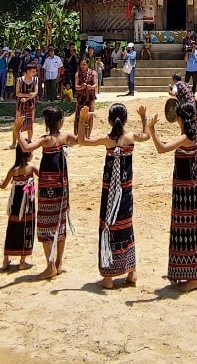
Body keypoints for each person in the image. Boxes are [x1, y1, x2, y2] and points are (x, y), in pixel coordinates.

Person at [77, 103, 150, 289]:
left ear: (110, 120)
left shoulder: (107, 140)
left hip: (110, 191)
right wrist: (143, 117)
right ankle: (131, 271)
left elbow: (82, 140)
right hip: (125, 191)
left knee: (108, 226)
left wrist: (83, 121)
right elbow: (147, 135)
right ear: (125, 120)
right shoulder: (130, 137)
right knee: (126, 226)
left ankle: (109, 276)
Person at [147, 100, 197, 291]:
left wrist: (152, 129)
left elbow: (162, 148)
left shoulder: (185, 137)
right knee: (194, 228)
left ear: (181, 118)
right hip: (191, 186)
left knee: (187, 230)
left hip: (187, 189)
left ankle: (193, 278)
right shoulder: (191, 136)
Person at [19, 106, 75, 279]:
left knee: (46, 225)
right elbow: (83, 139)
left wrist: (17, 131)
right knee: (60, 223)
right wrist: (84, 121)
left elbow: (26, 148)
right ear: (60, 122)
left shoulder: (45, 140)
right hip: (62, 186)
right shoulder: (64, 137)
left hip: (47, 187)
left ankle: (50, 266)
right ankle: (58, 262)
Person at [0, 144, 38, 271]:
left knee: (12, 228)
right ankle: (22, 261)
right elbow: (44, 177)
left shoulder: (13, 169)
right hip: (27, 205)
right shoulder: (31, 168)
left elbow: (3, 185)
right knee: (26, 227)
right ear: (28, 154)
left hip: (15, 203)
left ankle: (5, 259)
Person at [14, 61, 40, 147]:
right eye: (33, 71)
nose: (34, 73)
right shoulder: (19, 80)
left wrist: (27, 98)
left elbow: (35, 93)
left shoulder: (35, 79)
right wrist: (26, 96)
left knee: (30, 123)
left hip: (31, 104)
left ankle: (29, 140)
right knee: (18, 123)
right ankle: (15, 142)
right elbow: (17, 93)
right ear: (28, 71)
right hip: (20, 105)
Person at [73, 59, 98, 140]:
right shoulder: (78, 74)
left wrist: (91, 87)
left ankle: (88, 135)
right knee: (78, 114)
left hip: (90, 97)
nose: (82, 66)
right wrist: (81, 87)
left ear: (87, 65)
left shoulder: (93, 73)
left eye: (84, 64)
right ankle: (77, 133)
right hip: (80, 97)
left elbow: (95, 84)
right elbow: (76, 86)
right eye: (81, 64)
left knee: (90, 115)